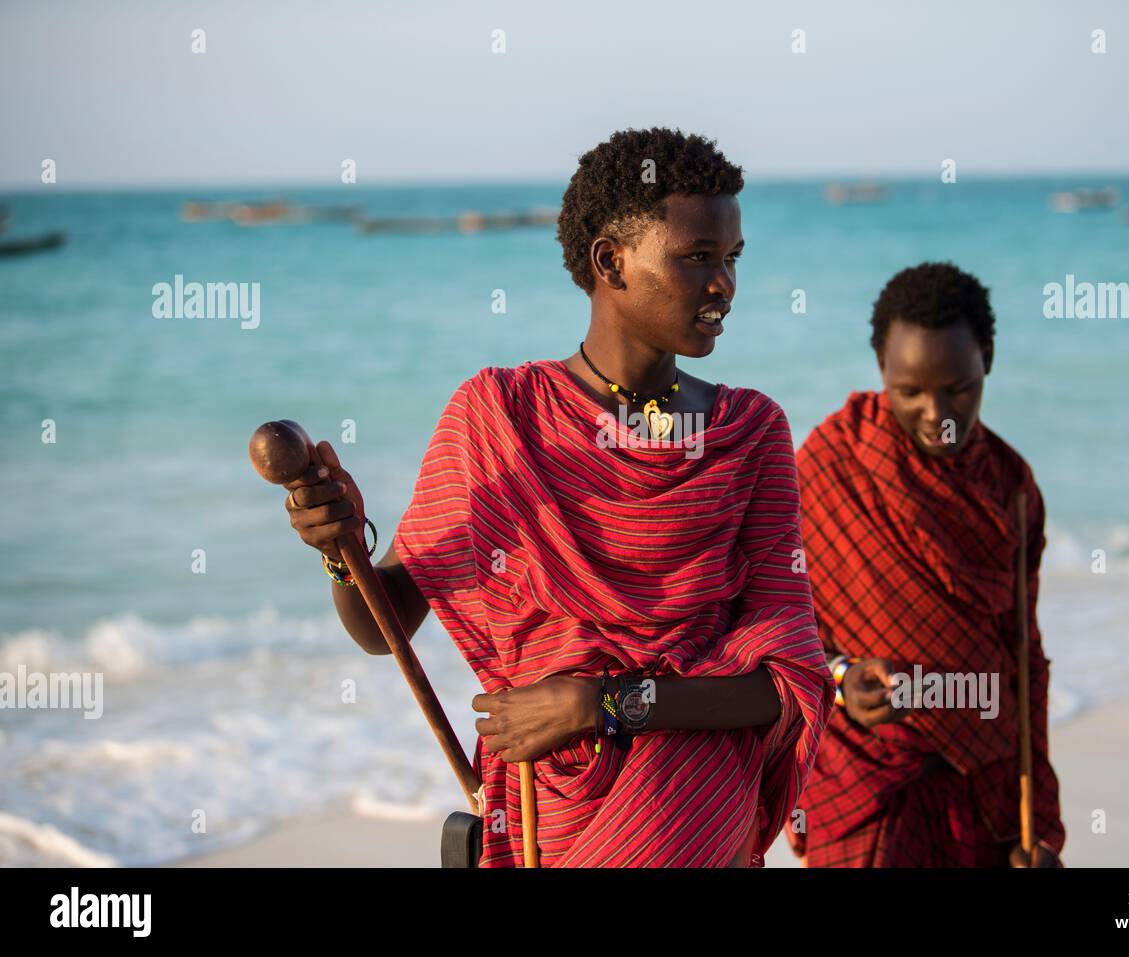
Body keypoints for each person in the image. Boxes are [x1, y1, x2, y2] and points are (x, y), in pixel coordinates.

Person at [280, 128, 832, 867]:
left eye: (732, 258)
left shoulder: (748, 430)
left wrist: (604, 704)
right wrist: (339, 551)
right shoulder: (496, 415)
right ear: (611, 261)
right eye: (697, 257)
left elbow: (788, 682)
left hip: (694, 817)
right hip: (547, 819)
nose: (724, 283)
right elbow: (386, 628)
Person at [788, 262, 1065, 867]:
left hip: (987, 793)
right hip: (866, 788)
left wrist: (1039, 824)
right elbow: (781, 635)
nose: (935, 411)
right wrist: (842, 681)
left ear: (987, 358)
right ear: (882, 370)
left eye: (957, 388)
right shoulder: (829, 468)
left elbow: (1025, 657)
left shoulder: (1013, 487)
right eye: (909, 390)